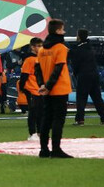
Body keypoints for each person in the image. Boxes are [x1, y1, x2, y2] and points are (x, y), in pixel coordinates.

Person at [35, 19, 73, 158]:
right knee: (58, 119)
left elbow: (37, 69)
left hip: (47, 90)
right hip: (59, 89)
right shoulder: (60, 48)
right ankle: (56, 149)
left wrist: (43, 85)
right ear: (58, 31)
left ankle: (44, 149)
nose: (64, 32)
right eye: (62, 29)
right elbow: (58, 69)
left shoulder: (42, 50)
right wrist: (50, 86)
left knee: (46, 119)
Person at [69, 29, 104, 126]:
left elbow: (75, 64)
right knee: (97, 98)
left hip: (84, 75)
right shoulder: (90, 47)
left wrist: (76, 73)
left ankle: (80, 120)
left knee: (81, 98)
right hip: (94, 75)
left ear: (79, 36)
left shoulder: (78, 49)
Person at [19, 38, 44, 140]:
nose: (40, 48)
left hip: (40, 90)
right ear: (32, 47)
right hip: (32, 89)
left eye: (41, 46)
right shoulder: (29, 59)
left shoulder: (42, 58)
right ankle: (32, 133)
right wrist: (22, 88)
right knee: (33, 112)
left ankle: (40, 132)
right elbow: (24, 75)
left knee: (41, 113)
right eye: (38, 46)